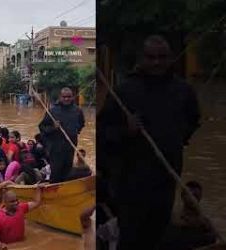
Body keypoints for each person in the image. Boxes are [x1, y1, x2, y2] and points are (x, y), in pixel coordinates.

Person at [97, 35, 201, 250]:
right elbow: (103, 133)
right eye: (151, 57)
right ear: (142, 59)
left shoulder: (182, 91)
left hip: (166, 174)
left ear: (170, 58)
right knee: (132, 236)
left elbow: (193, 120)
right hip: (130, 178)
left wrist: (177, 137)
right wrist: (126, 130)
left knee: (159, 232)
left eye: (162, 57)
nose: (157, 62)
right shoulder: (125, 92)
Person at [39, 87, 85, 183]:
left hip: (70, 146)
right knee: (56, 173)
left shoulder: (77, 111)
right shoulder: (53, 111)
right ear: (60, 97)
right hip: (56, 148)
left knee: (67, 172)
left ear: (72, 97)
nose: (66, 99)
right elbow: (42, 127)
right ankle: (53, 192)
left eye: (69, 97)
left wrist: (75, 131)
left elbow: (81, 124)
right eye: (64, 97)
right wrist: (53, 128)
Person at [158, 181, 216, 250]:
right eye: (191, 195)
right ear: (183, 196)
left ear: (200, 197)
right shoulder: (173, 217)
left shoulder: (205, 223)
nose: (193, 199)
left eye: (196, 196)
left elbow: (213, 241)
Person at [0, 184, 45, 249]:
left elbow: (36, 203)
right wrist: (0, 245)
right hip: (8, 247)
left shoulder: (20, 208)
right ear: (5, 202)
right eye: (12, 201)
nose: (15, 203)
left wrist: (38, 189)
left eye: (16, 200)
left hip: (21, 244)